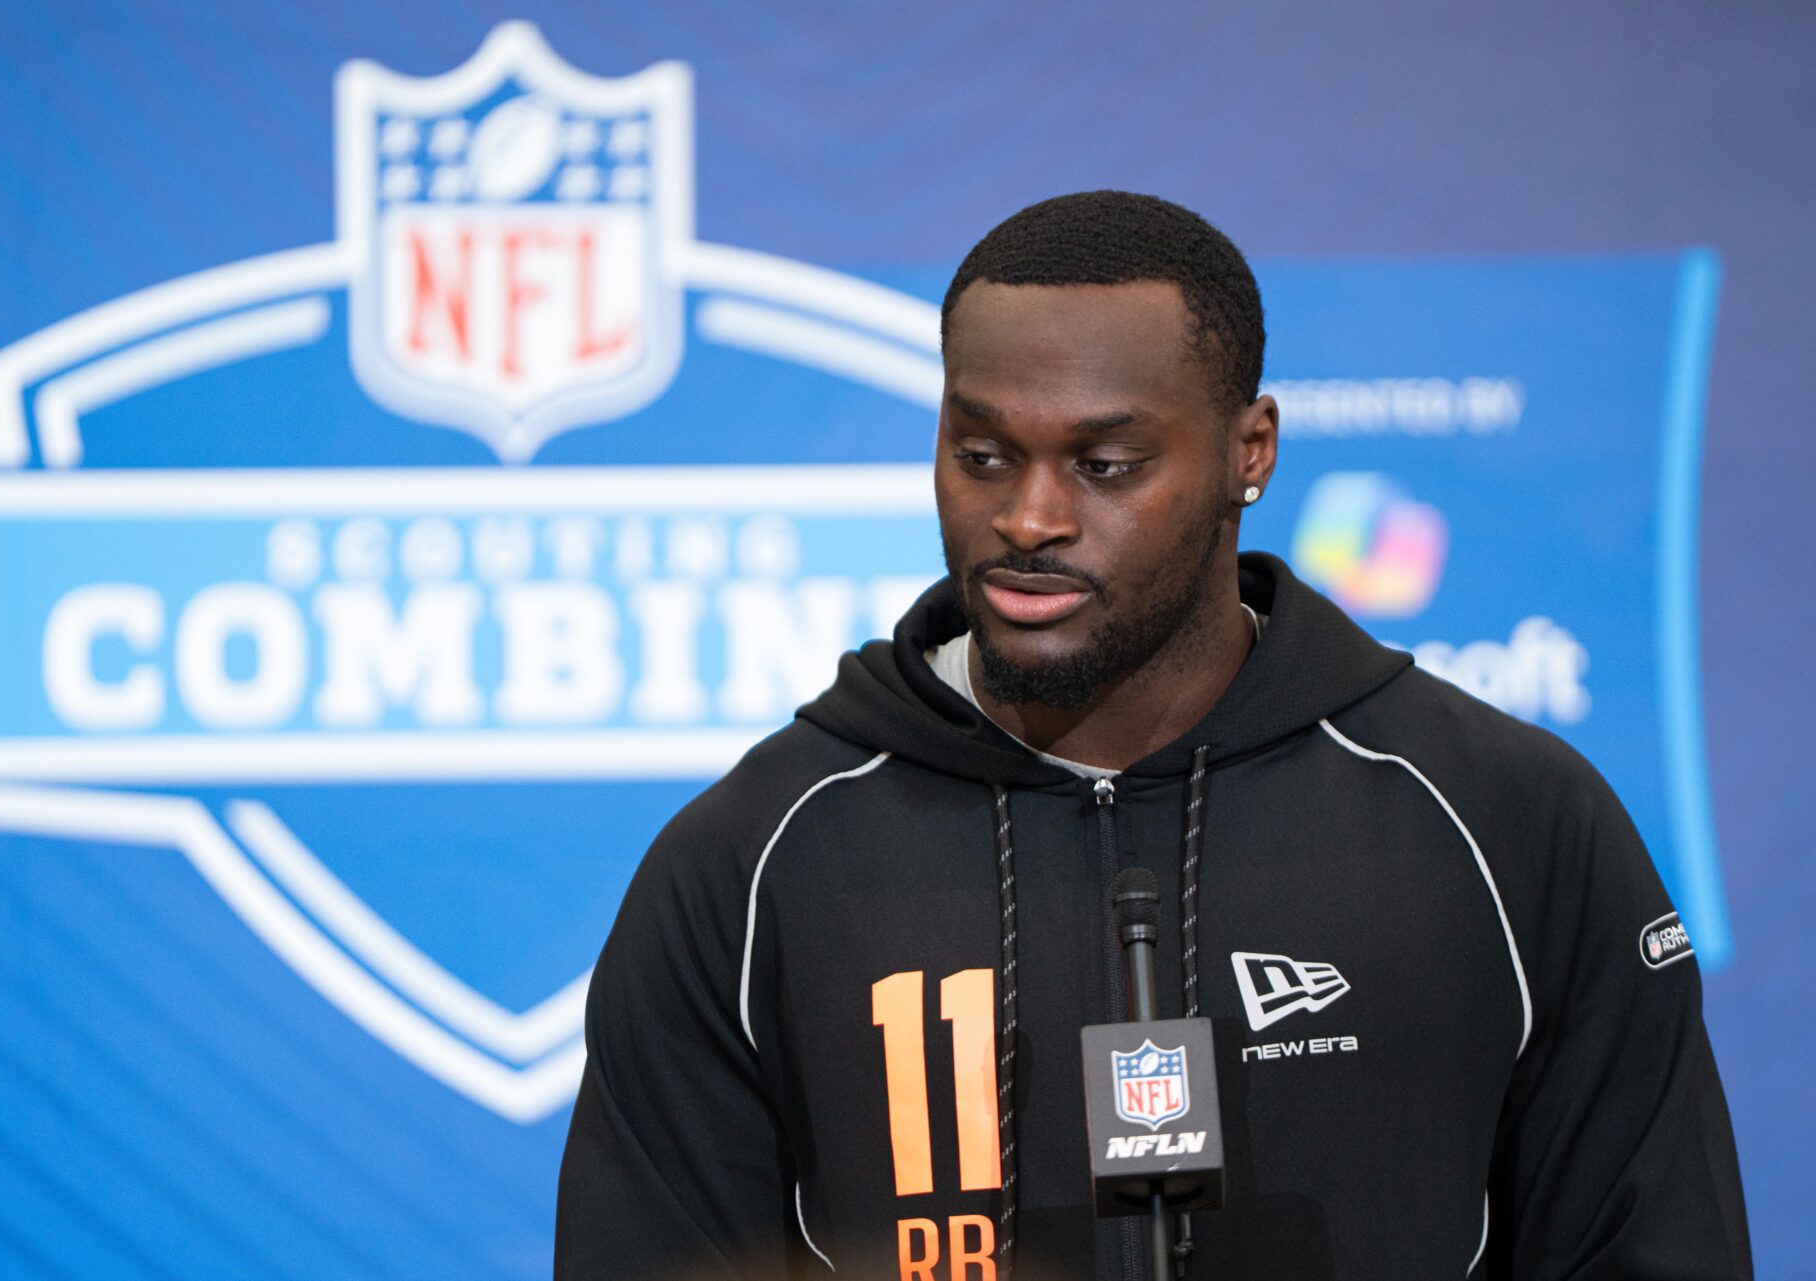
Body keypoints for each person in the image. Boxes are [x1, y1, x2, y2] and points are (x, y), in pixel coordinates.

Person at [556, 191, 1750, 1280]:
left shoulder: (1504, 820)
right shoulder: (753, 862)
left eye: (1107, 464)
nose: (1030, 518)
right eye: (982, 456)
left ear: (1249, 452)